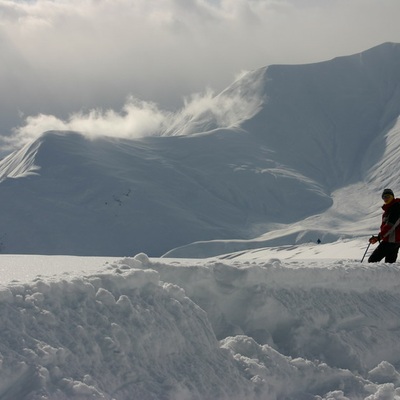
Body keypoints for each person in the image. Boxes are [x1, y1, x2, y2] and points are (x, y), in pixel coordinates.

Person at [368, 188, 400, 263]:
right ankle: (389, 275)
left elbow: (390, 226)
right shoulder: (388, 210)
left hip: (390, 241)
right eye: (384, 197)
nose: (386, 198)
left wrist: (379, 237)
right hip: (394, 241)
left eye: (388, 196)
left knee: (372, 260)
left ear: (392, 196)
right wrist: (380, 236)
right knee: (389, 264)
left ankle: (370, 275)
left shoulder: (396, 208)